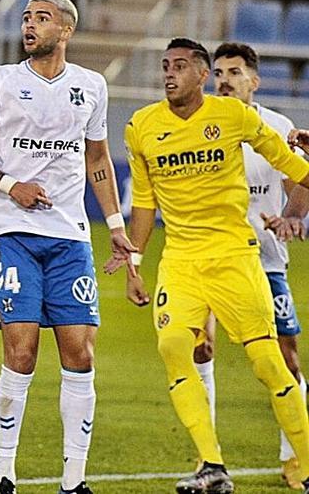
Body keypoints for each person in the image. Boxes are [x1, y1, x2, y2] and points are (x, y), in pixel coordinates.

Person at [0, 0, 133, 494]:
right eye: (27, 18)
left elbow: (97, 158)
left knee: (80, 355)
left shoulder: (90, 87)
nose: (30, 26)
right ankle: (3, 474)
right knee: (22, 350)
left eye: (42, 18)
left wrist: (116, 225)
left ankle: (73, 480)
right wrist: (12, 185)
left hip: (70, 237)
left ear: (66, 31)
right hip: (12, 232)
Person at [118, 38, 309, 494]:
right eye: (165, 66)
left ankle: (304, 463)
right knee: (174, 349)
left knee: (269, 362)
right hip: (181, 261)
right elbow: (144, 203)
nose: (169, 74)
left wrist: (294, 213)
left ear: (201, 75)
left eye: (180, 66)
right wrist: (134, 261)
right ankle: (212, 466)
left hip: (236, 258)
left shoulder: (237, 118)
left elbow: (296, 170)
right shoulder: (141, 126)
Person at [191, 42, 309, 489]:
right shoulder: (196, 123)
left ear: (253, 81)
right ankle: (208, 461)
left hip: (264, 260)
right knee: (200, 348)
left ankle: (295, 458)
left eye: (234, 72)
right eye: (218, 72)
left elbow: (302, 177)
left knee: (286, 357)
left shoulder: (275, 127)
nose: (224, 79)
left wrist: (293, 217)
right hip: (208, 257)